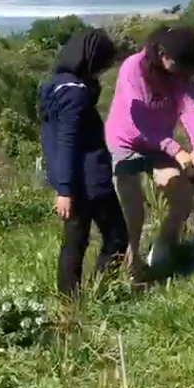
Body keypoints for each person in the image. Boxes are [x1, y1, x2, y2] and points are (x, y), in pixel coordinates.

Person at [105, 25, 194, 274]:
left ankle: (163, 250)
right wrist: (176, 150)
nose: (181, 71)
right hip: (126, 143)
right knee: (134, 212)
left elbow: (190, 107)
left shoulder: (178, 72)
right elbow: (139, 123)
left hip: (159, 145)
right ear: (162, 53)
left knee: (182, 197)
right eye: (178, 64)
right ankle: (132, 267)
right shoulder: (133, 69)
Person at [39, 28, 128, 296]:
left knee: (75, 243)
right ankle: (103, 290)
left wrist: (62, 185)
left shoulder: (55, 86)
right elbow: (68, 140)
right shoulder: (77, 94)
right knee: (116, 237)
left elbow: (54, 139)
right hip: (90, 180)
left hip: (70, 178)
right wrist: (65, 189)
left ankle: (70, 301)